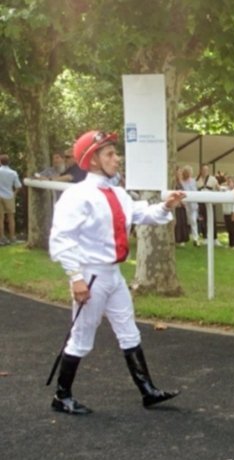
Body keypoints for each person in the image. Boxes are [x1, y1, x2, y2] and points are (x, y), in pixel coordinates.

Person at [48, 130, 186, 415]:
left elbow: (141, 214)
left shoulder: (118, 193)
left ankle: (148, 391)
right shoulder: (78, 196)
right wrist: (75, 277)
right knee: (82, 337)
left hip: (113, 276)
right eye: (109, 154)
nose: (116, 158)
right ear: (94, 160)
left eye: (115, 152)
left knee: (129, 331)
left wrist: (165, 205)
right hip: (91, 276)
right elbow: (61, 239)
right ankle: (62, 395)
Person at [0, 153, 22, 245]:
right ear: (8, 162)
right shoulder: (13, 173)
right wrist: (14, 194)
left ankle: (2, 238)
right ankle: (12, 237)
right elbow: (18, 186)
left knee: (0, 218)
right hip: (9, 196)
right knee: (11, 217)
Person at [196, 164, 220, 245]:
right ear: (201, 170)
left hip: (210, 203)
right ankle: (206, 237)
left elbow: (218, 188)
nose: (205, 171)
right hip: (202, 203)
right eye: (204, 170)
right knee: (203, 220)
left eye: (207, 170)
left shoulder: (212, 179)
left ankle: (215, 238)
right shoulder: (197, 180)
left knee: (212, 220)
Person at [179, 165, 200, 246]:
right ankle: (182, 239)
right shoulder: (181, 182)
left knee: (193, 221)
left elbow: (195, 192)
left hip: (193, 205)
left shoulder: (193, 181)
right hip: (183, 204)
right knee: (183, 222)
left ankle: (195, 238)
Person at [221, 176, 234, 249]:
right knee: (229, 228)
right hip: (226, 211)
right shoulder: (226, 190)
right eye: (228, 182)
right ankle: (231, 244)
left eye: (230, 182)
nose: (229, 183)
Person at [173, 167, 190, 246]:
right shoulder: (174, 183)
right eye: (179, 172)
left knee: (183, 221)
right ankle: (178, 239)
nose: (180, 174)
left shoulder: (181, 182)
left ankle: (182, 239)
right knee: (178, 222)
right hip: (178, 205)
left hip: (182, 205)